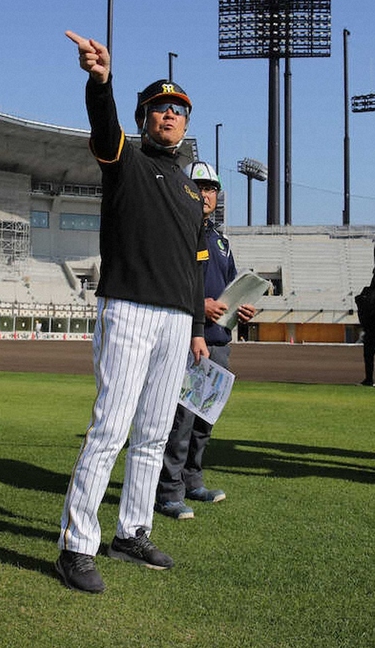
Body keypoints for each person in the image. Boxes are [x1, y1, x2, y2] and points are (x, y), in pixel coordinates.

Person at [56, 30, 209, 594]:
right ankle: (76, 546)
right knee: (110, 430)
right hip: (128, 309)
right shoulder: (125, 157)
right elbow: (102, 124)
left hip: (174, 321)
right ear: (144, 116)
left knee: (151, 433)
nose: (169, 116)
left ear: (186, 125)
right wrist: (101, 82)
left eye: (178, 110)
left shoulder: (193, 192)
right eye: (160, 108)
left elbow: (194, 270)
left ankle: (132, 531)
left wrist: (196, 325)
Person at [155, 161, 256, 520]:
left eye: (211, 187)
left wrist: (241, 310)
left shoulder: (222, 242)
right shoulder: (172, 233)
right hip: (185, 338)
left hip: (218, 340)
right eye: (198, 186)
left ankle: (192, 480)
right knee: (180, 419)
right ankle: (168, 491)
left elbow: (229, 289)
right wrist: (201, 305)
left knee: (205, 420)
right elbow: (160, 284)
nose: (205, 193)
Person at [355, 253, 375, 386]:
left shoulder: (368, 294)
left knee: (368, 355)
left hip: (371, 329)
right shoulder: (369, 293)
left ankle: (368, 379)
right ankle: (368, 380)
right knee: (368, 355)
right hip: (371, 328)